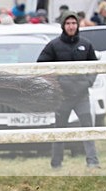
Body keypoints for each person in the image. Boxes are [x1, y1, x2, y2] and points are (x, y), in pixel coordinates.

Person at [37, 11, 100, 170]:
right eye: (68, 23)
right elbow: (41, 66)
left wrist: (88, 82)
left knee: (88, 127)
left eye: (73, 23)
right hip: (62, 96)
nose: (71, 26)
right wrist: (55, 85)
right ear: (63, 26)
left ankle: (93, 161)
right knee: (59, 130)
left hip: (82, 95)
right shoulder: (53, 45)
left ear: (77, 25)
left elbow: (94, 66)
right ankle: (56, 163)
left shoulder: (86, 44)